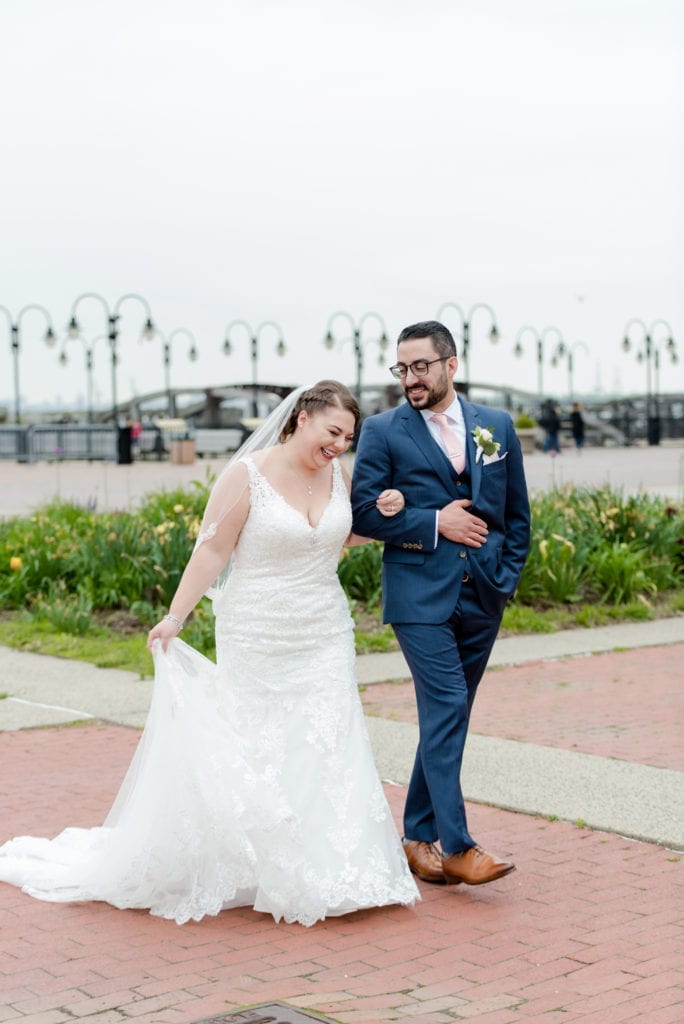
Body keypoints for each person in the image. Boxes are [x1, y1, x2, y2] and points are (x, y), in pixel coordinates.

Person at [0, 381, 419, 926]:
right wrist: (175, 616)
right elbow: (213, 549)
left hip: (324, 631)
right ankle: (261, 863)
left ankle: (333, 866)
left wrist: (386, 511)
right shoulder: (247, 475)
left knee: (328, 737)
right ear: (301, 418)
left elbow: (336, 537)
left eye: (348, 437)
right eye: (333, 432)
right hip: (257, 630)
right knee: (260, 738)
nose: (340, 445)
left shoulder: (337, 476)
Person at [351, 322, 530, 888]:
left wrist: (505, 576)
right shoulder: (383, 431)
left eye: (420, 367)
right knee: (448, 703)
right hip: (417, 596)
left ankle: (414, 836)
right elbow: (361, 512)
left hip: (484, 593)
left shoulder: (496, 427)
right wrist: (434, 521)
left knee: (447, 716)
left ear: (451, 365)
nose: (410, 379)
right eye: (401, 369)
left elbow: (516, 514)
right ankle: (458, 845)